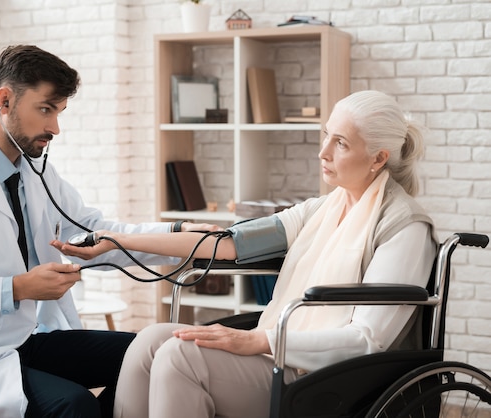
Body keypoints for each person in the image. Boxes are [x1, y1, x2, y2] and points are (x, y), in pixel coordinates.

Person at [53, 90, 439, 418]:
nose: (323, 152)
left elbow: (367, 341)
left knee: (180, 357)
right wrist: (119, 241)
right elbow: (226, 242)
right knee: (150, 341)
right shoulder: (321, 210)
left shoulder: (404, 228)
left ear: (378, 158)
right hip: (281, 351)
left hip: (334, 377)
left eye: (341, 143)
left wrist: (262, 341)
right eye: (326, 136)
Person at [0, 44, 217, 418]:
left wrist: (179, 232)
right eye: (45, 109)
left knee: (157, 356)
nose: (55, 128)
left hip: (32, 338)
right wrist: (16, 288)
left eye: (59, 112)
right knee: (73, 404)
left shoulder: (36, 172)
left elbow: (98, 232)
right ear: (5, 100)